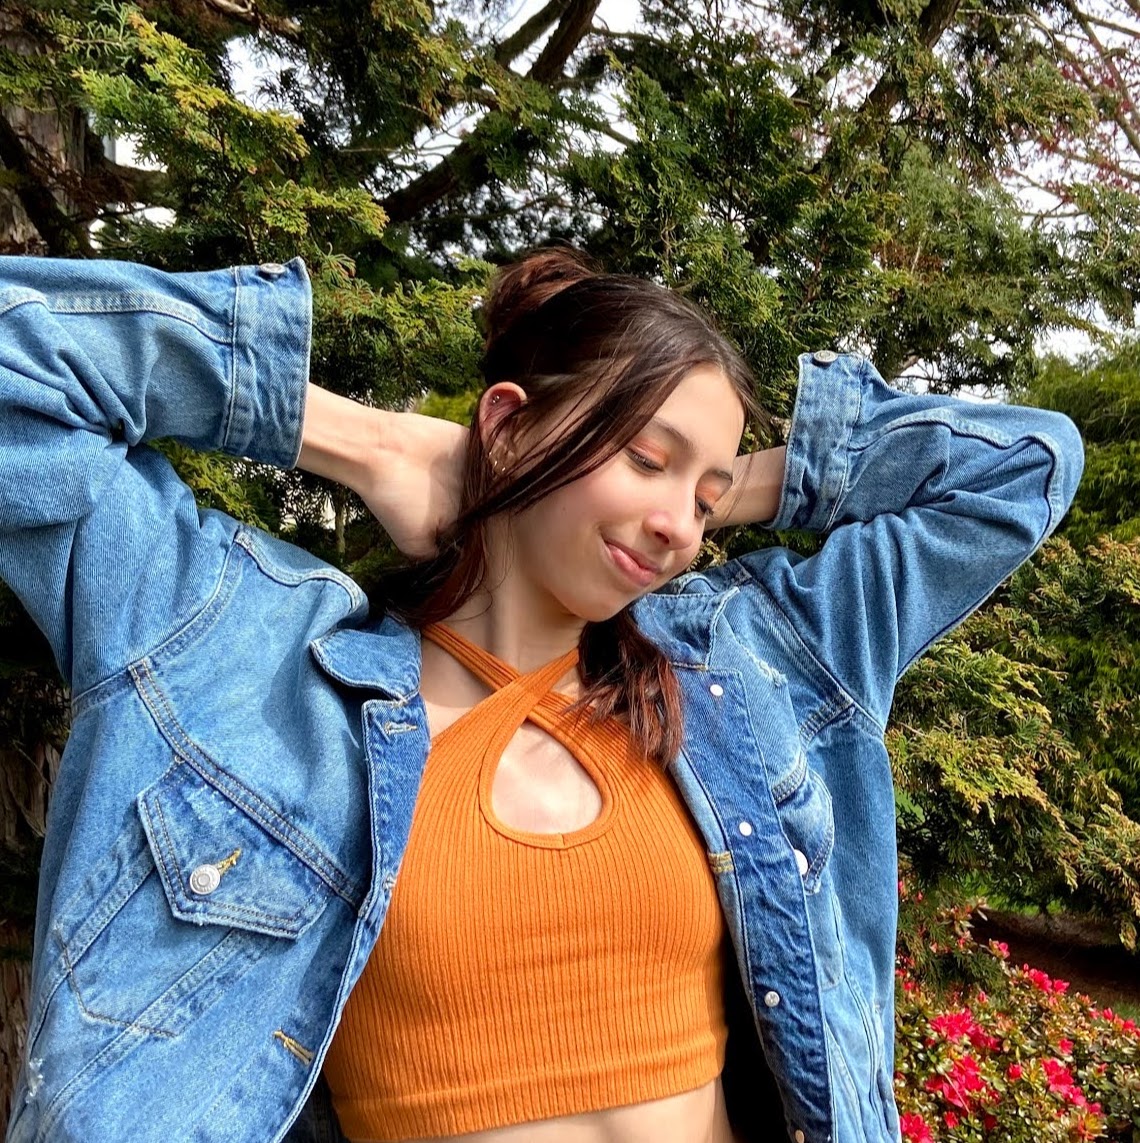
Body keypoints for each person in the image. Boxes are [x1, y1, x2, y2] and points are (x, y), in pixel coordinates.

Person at [0, 246, 1082, 1143]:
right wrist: (364, 440)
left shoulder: (750, 666)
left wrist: (741, 480)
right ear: (508, 424)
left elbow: (1025, 467)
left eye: (706, 499)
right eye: (646, 460)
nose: (681, 528)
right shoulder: (243, 658)